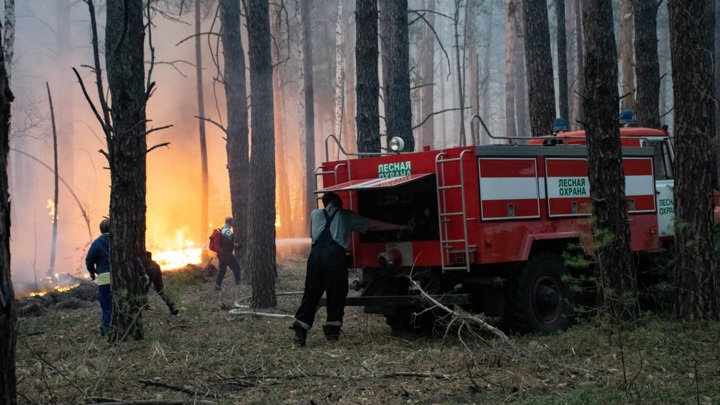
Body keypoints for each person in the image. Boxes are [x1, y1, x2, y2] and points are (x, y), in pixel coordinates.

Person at [291, 192, 409, 346]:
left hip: (314, 256)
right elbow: (374, 225)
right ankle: (332, 333)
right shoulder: (347, 215)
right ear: (335, 201)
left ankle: (300, 333)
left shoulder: (315, 214)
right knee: (337, 292)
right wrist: (400, 226)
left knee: (311, 293)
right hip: (335, 256)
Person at [86, 218, 112, 336]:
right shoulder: (120, 240)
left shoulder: (97, 243)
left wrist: (92, 273)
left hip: (104, 279)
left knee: (106, 305)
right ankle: (105, 326)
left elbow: (89, 260)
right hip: (121, 279)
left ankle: (107, 329)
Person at [141, 251, 179, 315]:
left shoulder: (138, 256)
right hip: (156, 266)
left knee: (143, 289)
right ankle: (172, 305)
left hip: (150, 269)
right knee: (160, 290)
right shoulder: (146, 256)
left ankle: (145, 306)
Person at [215, 216, 242, 291]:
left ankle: (217, 285)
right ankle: (238, 283)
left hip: (221, 254)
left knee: (222, 269)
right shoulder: (227, 231)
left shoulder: (223, 229)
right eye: (233, 222)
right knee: (236, 267)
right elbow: (229, 243)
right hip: (226, 254)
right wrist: (236, 245)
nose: (234, 223)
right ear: (231, 222)